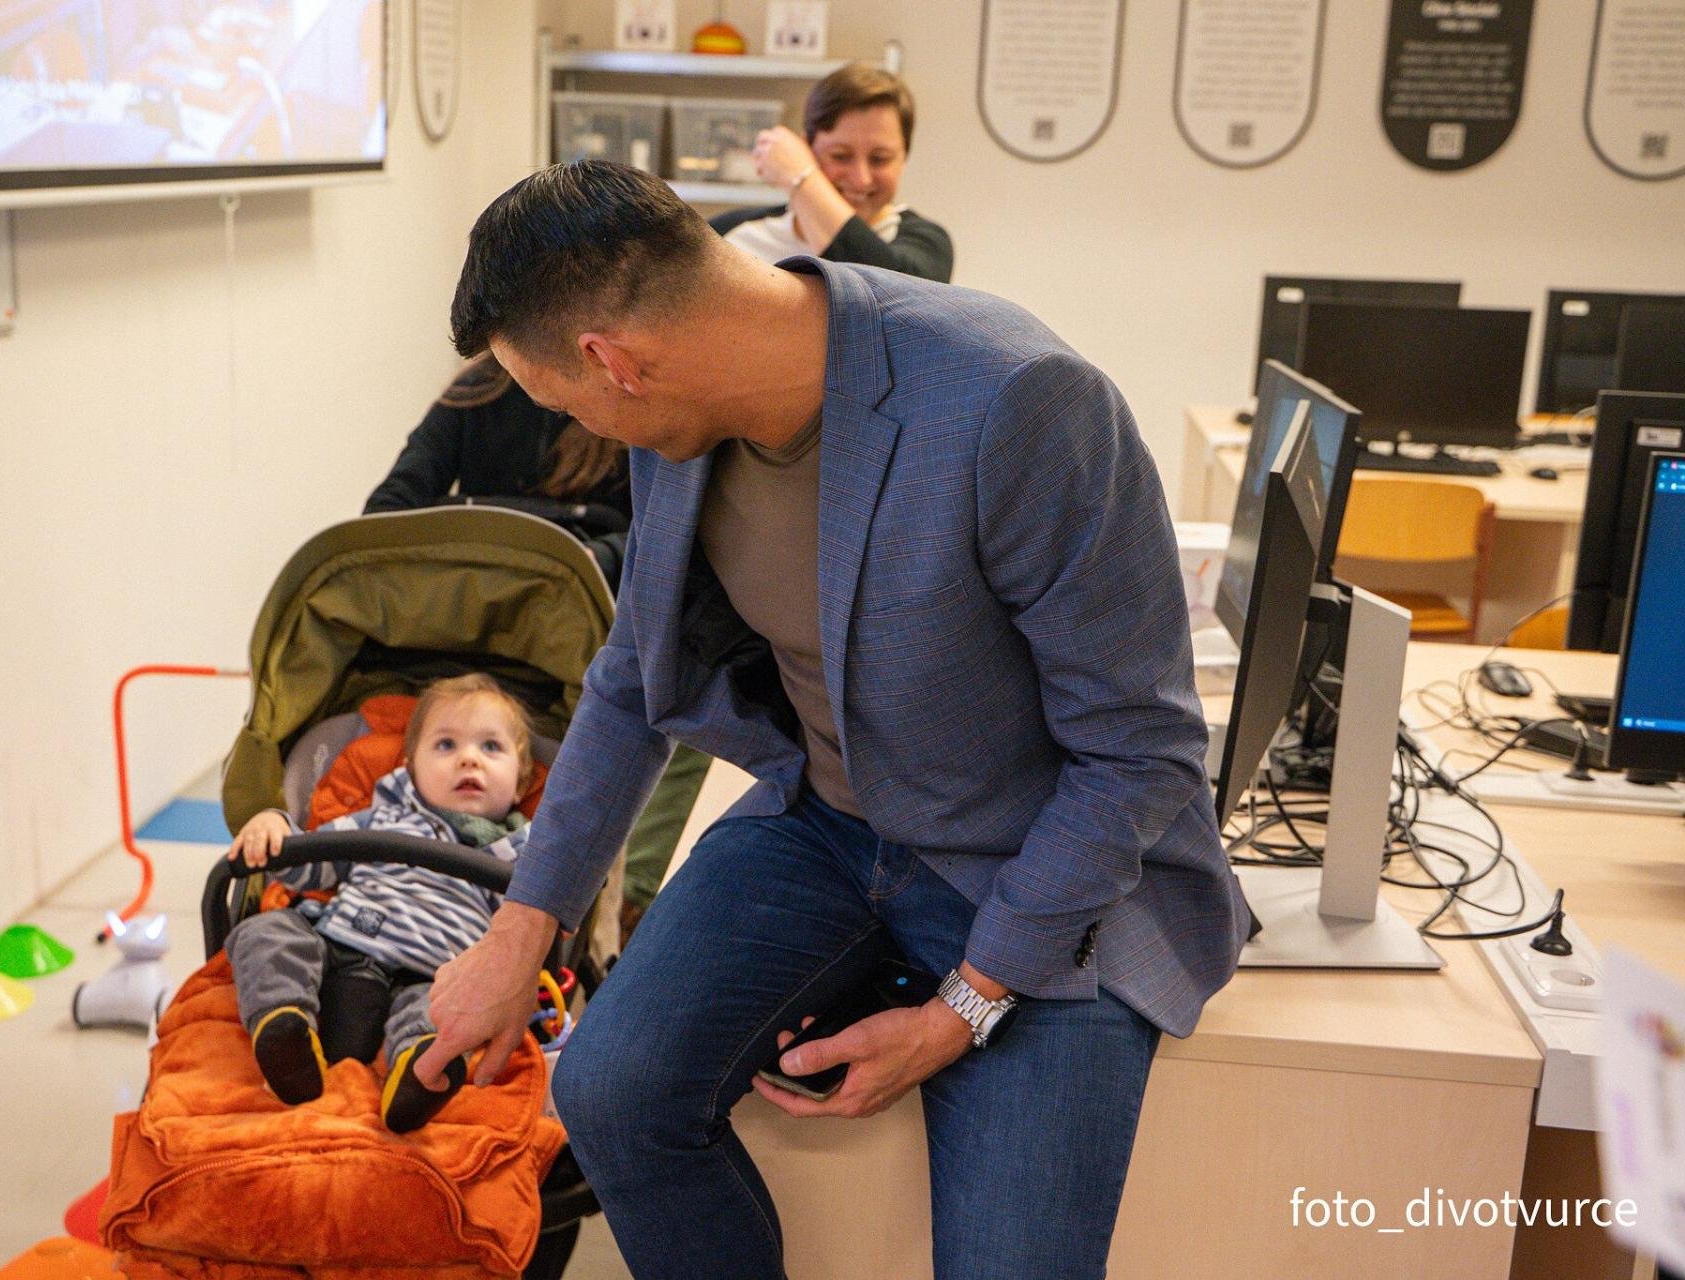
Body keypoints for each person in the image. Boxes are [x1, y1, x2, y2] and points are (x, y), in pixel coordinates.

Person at [414, 161, 1248, 1279]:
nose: (578, 428)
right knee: (610, 1091)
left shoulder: (1017, 401)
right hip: (831, 825)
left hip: (1040, 867)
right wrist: (521, 934)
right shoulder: (680, 422)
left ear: (614, 361)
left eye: (565, 404)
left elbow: (1142, 752)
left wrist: (961, 1010)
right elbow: (631, 676)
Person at [224, 673, 535, 1134]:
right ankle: (284, 1024)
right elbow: (311, 868)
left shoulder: (525, 857)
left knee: (453, 1018)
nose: (469, 758)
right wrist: (276, 828)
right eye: (446, 745)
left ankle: (420, 1074)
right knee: (266, 931)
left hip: (435, 981)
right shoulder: (383, 818)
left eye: (491, 747)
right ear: (411, 768)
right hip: (335, 954)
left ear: (521, 781)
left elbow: (529, 939)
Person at [365, 355, 630, 589]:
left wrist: (599, 557)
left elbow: (648, 534)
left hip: (581, 599)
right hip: (479, 592)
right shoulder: (478, 388)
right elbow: (390, 507)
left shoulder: (624, 396)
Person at [710, 62, 952, 283]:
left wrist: (801, 177)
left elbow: (886, 293)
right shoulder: (727, 236)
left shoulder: (927, 243)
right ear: (807, 149)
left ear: (904, 158)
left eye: (879, 159)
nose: (861, 179)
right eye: (840, 156)